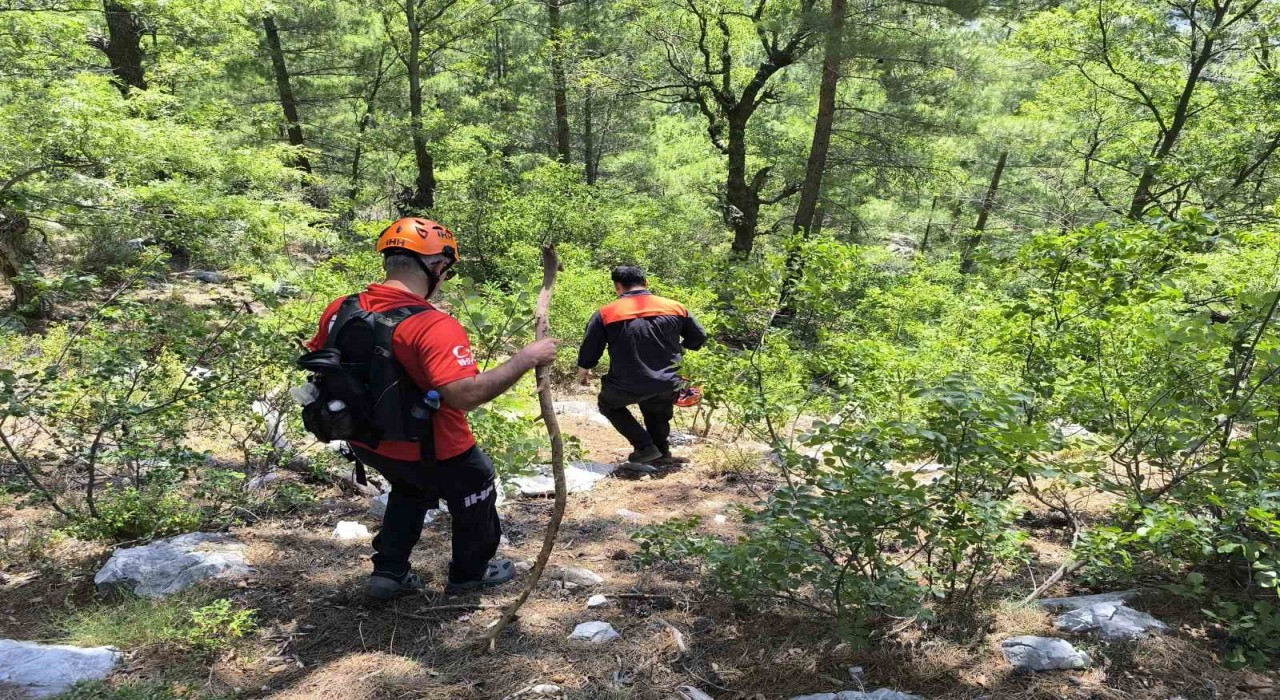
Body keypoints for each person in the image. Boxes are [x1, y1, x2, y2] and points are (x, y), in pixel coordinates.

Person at [307, 218, 558, 600]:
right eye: (447, 271)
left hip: (367, 439)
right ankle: (470, 574)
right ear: (438, 266)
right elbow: (463, 395)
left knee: (408, 488)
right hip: (435, 446)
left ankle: (388, 571)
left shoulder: (341, 309)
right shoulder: (433, 325)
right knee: (476, 488)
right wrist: (525, 358)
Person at [576, 265, 707, 465]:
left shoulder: (605, 314)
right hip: (668, 381)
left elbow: (591, 346)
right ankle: (661, 452)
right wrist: (682, 347)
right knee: (657, 410)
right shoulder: (675, 307)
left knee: (608, 404)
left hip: (627, 383)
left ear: (618, 287)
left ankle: (646, 448)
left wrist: (584, 368)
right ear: (646, 283)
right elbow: (699, 336)